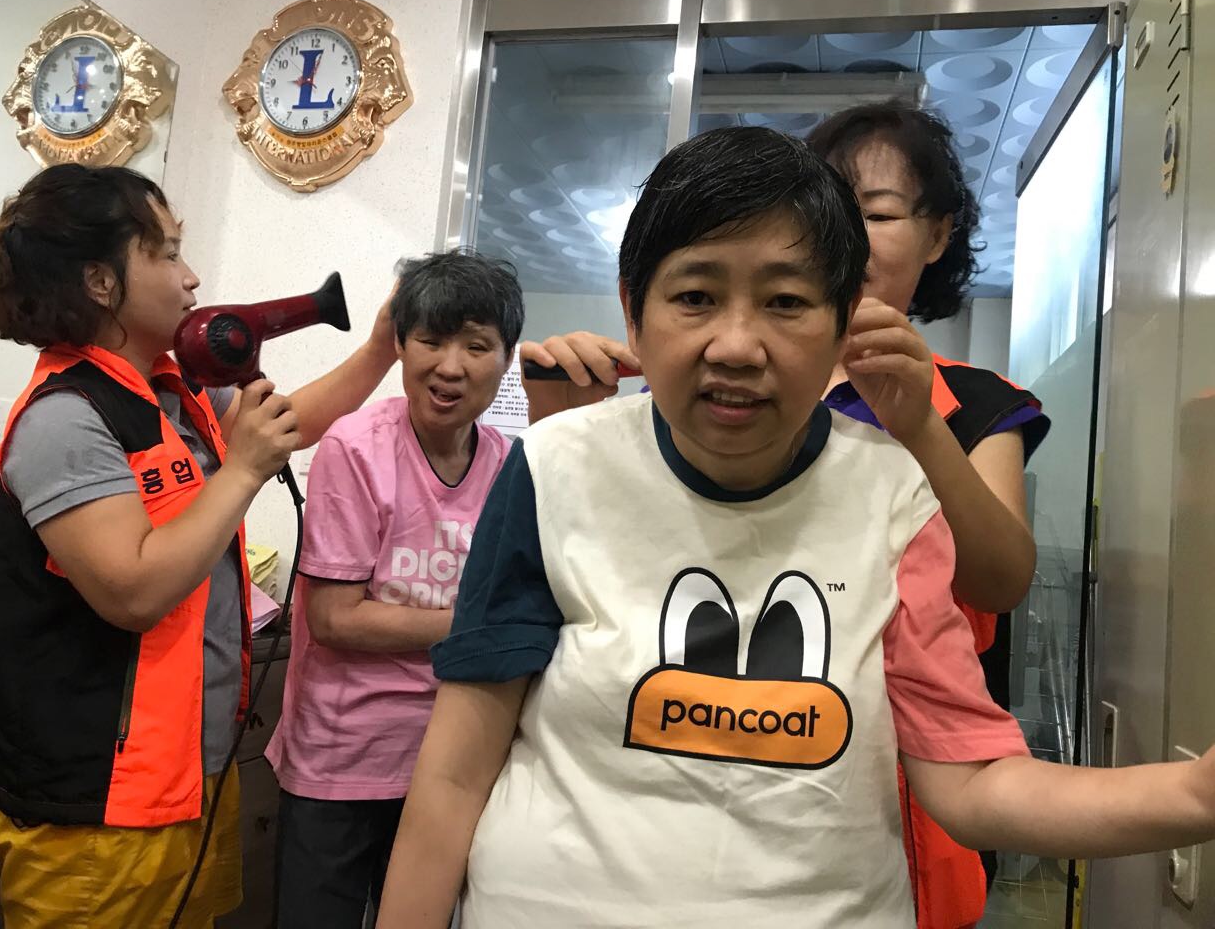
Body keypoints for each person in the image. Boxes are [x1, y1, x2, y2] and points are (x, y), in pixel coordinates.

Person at [374, 127, 1215, 929]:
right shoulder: (553, 467)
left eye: (785, 302)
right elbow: (453, 779)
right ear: (635, 311)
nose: (737, 345)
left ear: (846, 323)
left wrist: (1191, 797)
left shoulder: (896, 496)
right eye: (695, 297)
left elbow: (972, 781)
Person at [0, 163, 397, 928]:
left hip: (188, 777)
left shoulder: (178, 391)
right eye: (168, 253)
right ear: (101, 281)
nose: (192, 276)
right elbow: (132, 591)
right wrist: (241, 471)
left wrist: (381, 349)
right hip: (95, 806)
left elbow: (285, 424)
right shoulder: (65, 417)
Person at [807, 101, 1050, 926]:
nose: (846, 237)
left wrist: (920, 426)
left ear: (937, 235)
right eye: (826, 210)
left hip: (926, 780)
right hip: (776, 740)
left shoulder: (980, 405)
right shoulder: (754, 391)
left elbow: (1002, 580)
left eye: (876, 214)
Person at [265, 249, 524, 928]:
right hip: (343, 758)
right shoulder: (356, 447)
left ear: (507, 359)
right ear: (401, 345)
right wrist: (477, 626)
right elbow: (335, 619)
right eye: (431, 340)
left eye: (477, 346)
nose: (450, 366)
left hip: (451, 761)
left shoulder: (510, 465)